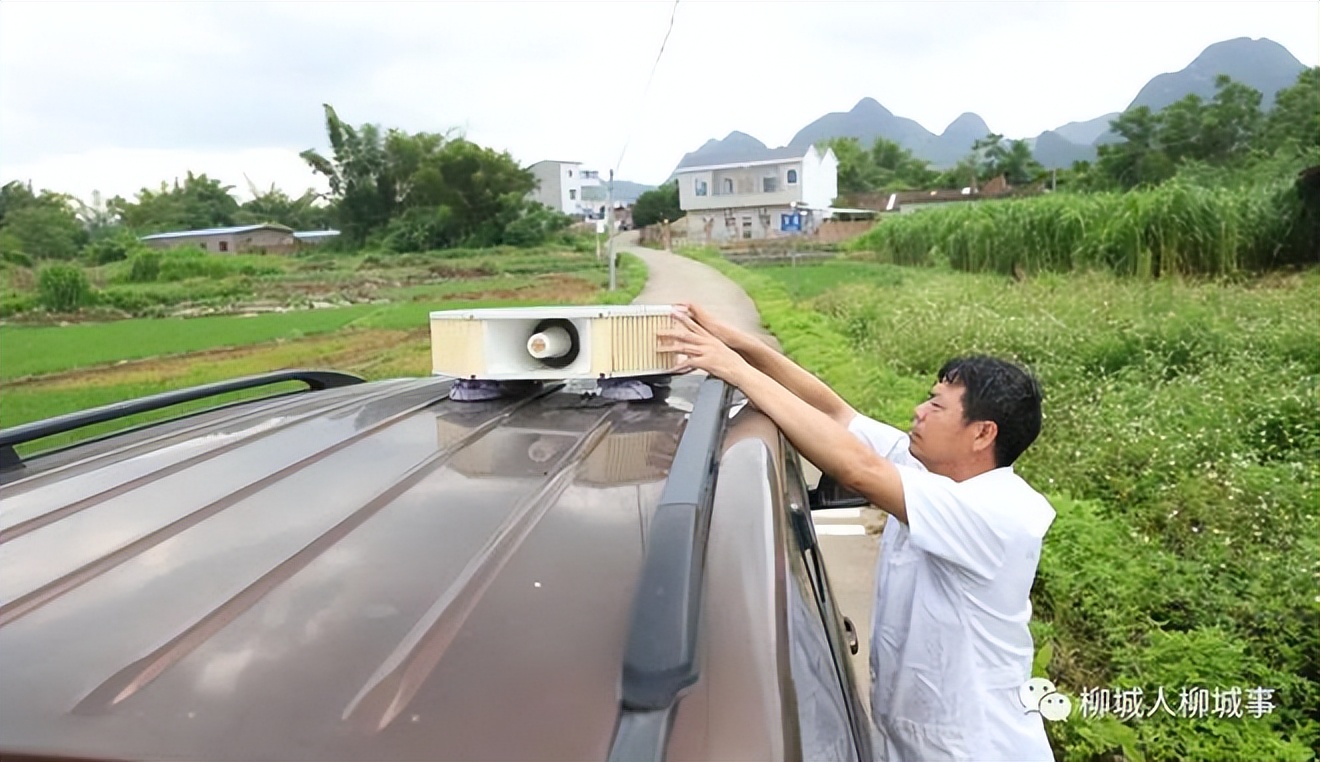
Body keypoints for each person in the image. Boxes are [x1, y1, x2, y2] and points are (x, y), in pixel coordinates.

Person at [659, 303, 1055, 762]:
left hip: (977, 749)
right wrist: (739, 344)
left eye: (936, 405)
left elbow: (858, 469)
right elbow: (832, 413)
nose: (918, 411)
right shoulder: (930, 472)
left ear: (983, 434)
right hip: (916, 742)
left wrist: (734, 371)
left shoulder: (996, 513)